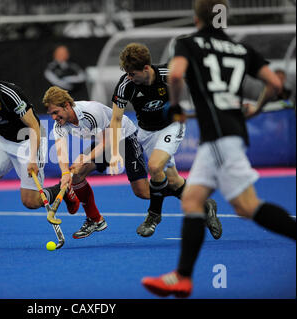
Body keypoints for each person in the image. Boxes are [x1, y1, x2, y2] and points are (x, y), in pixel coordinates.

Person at [141, 0, 297, 298]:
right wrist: (256, 108)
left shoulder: (188, 43)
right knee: (193, 201)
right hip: (228, 133)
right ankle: (182, 277)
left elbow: (175, 76)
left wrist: (174, 107)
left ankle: (183, 276)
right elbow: (275, 83)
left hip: (218, 137)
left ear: (197, 16)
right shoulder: (243, 50)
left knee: (247, 206)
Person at [0, 51, 79, 250]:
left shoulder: (9, 94)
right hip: (2, 140)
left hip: (29, 140)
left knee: (30, 201)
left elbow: (34, 126)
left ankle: (65, 190)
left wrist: (33, 158)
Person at [110, 42, 222, 239]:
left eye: (133, 73)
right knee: (172, 180)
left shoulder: (167, 74)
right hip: (146, 132)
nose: (129, 77)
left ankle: (153, 216)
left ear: (146, 68)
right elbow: (116, 119)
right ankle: (205, 205)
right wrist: (114, 152)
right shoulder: (126, 85)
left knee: (154, 167)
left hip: (172, 126)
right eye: (127, 73)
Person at [43, 85, 150, 239]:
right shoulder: (60, 124)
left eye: (55, 112)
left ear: (66, 105)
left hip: (124, 137)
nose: (53, 117)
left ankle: (174, 187)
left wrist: (87, 158)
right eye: (50, 114)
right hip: (104, 143)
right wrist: (65, 173)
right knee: (77, 173)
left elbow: (108, 140)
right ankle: (95, 219)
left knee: (142, 192)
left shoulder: (90, 112)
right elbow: (61, 150)